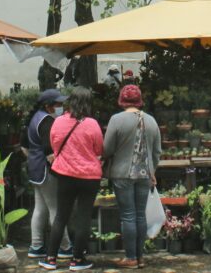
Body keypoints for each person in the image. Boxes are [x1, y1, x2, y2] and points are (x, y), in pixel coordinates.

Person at [38, 87, 104, 272]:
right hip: (89, 176)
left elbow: (54, 144)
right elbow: (99, 149)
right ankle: (77, 259)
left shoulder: (57, 122)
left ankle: (50, 258)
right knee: (83, 217)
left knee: (61, 216)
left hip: (65, 175)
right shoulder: (92, 124)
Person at [103, 84, 161, 270]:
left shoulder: (116, 120)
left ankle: (130, 258)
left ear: (122, 100)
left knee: (127, 216)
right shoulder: (151, 120)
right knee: (139, 215)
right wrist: (152, 171)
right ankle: (141, 257)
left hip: (122, 174)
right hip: (145, 174)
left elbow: (107, 149)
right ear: (139, 100)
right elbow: (157, 151)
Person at [22, 89, 72, 261]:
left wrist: (33, 159)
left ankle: (36, 246)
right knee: (55, 209)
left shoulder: (34, 118)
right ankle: (65, 247)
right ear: (48, 105)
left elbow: (24, 147)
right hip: (46, 171)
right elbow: (50, 152)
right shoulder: (47, 122)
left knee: (40, 208)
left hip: (35, 170)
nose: (61, 107)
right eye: (58, 104)